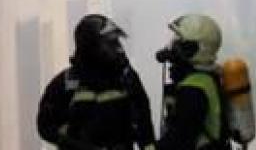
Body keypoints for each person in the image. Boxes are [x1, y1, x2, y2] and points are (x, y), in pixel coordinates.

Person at [36, 14, 156, 150]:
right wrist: (74, 144)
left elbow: (143, 119)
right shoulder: (65, 83)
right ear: (90, 46)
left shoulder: (126, 77)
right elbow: (45, 126)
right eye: (111, 43)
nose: (119, 48)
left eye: (117, 42)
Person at [155, 14, 226, 150]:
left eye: (179, 43)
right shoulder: (208, 77)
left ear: (193, 48)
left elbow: (179, 139)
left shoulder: (194, 89)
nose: (172, 48)